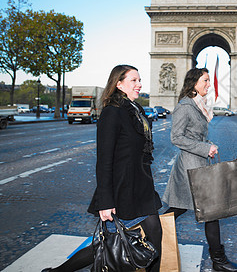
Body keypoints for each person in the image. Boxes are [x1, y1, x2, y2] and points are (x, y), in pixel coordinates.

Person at [42, 65, 162, 272]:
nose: (139, 84)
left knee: (155, 238)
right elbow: (104, 160)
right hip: (121, 190)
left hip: (141, 188)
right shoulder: (112, 113)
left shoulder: (136, 110)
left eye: (139, 80)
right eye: (134, 80)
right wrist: (105, 202)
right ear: (119, 84)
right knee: (105, 245)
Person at [162, 67, 237, 272]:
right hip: (190, 166)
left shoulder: (198, 106)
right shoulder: (185, 106)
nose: (210, 84)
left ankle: (148, 236)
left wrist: (208, 144)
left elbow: (194, 136)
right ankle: (219, 261)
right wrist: (205, 147)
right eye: (206, 80)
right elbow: (176, 138)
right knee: (208, 211)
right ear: (194, 82)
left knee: (182, 210)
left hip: (199, 163)